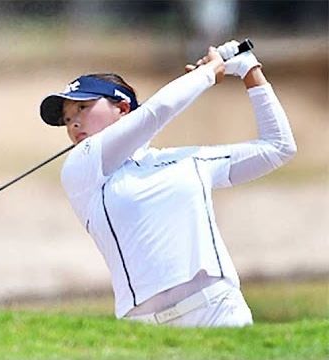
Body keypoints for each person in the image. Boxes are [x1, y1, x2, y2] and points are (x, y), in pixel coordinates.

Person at [38, 40, 297, 327]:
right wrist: (209, 72)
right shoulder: (81, 168)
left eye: (83, 107)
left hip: (219, 311)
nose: (73, 123)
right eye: (67, 118)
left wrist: (249, 70)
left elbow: (278, 147)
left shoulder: (188, 162)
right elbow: (156, 112)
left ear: (123, 108)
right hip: (143, 327)